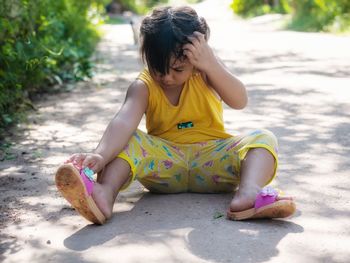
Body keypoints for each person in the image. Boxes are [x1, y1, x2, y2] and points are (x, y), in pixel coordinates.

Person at [55, 6, 296, 225]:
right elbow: (123, 120)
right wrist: (101, 154)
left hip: (213, 161)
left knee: (263, 139)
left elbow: (240, 100)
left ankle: (249, 193)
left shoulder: (205, 72)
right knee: (129, 140)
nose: (167, 77)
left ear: (196, 58)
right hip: (164, 165)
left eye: (178, 69)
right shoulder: (144, 86)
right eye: (158, 68)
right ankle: (104, 193)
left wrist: (211, 64)